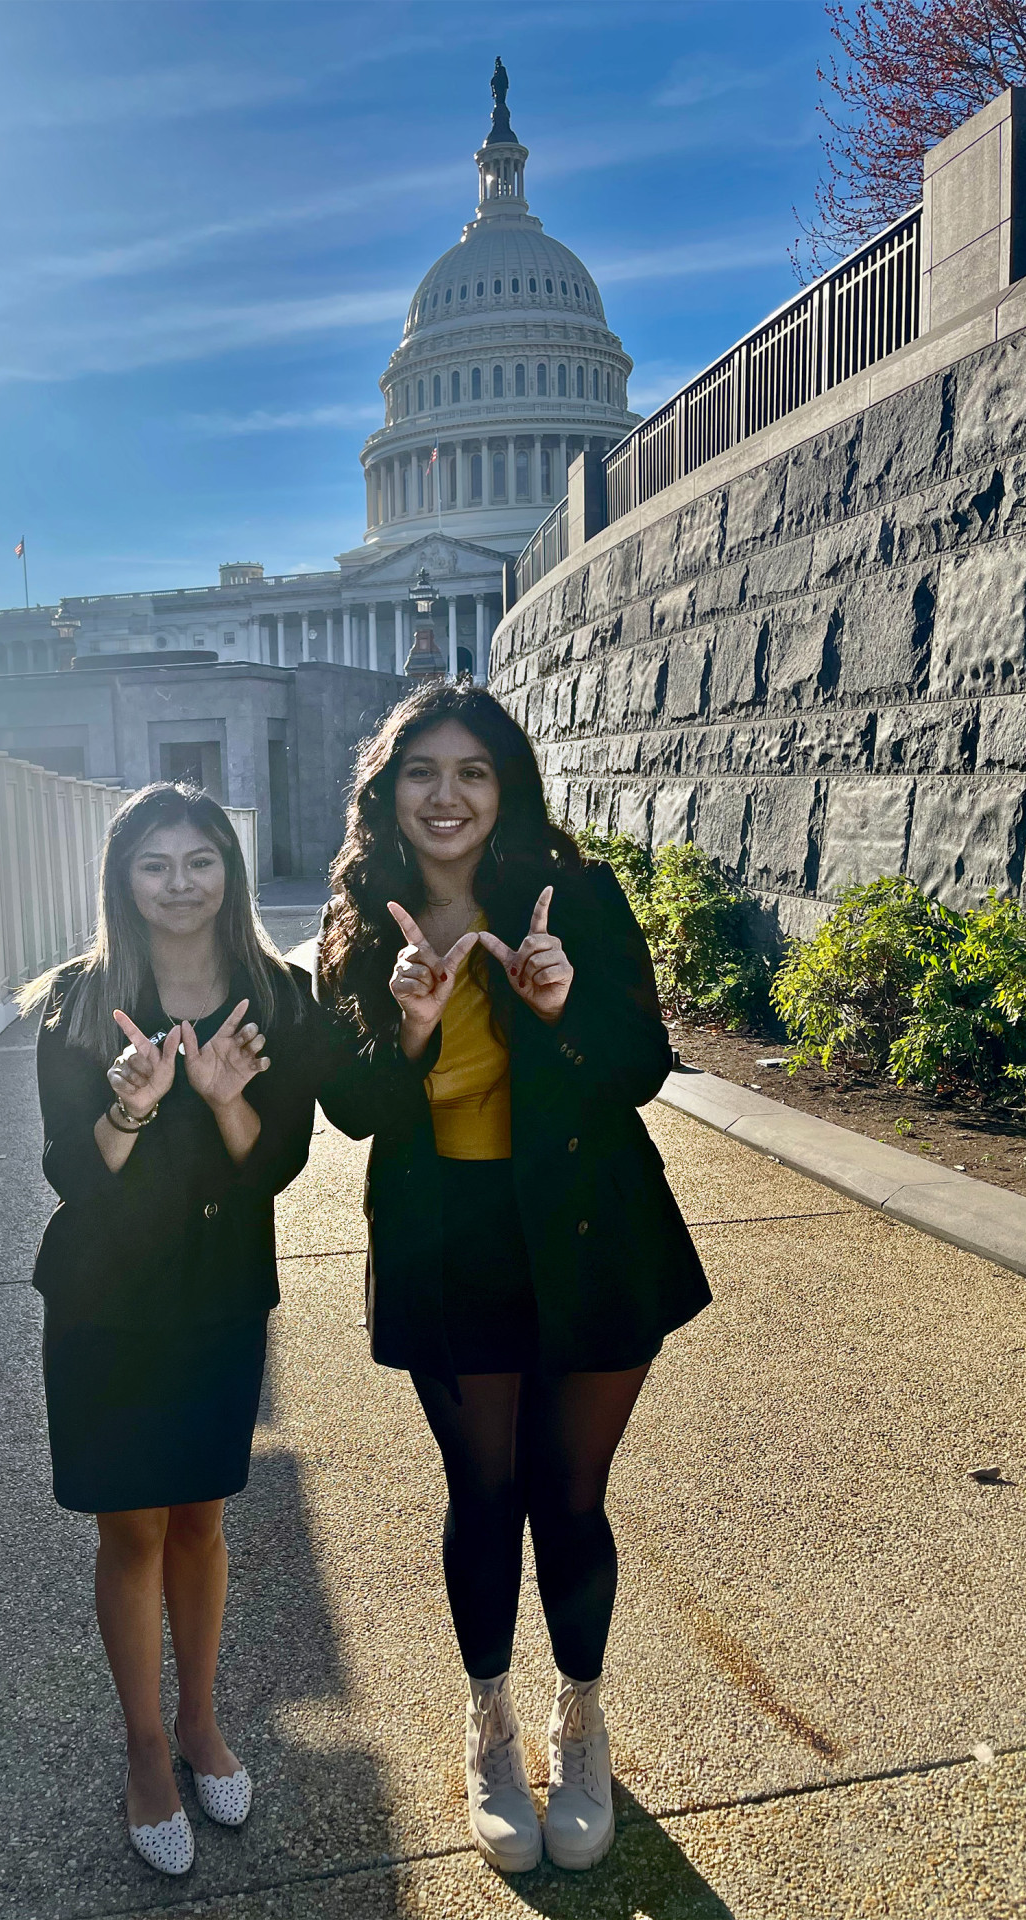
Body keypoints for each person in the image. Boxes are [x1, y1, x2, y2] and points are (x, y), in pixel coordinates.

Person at [316, 681, 710, 1876]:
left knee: (570, 1495)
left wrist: (562, 1006)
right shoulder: (358, 926)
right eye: (423, 772)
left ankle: (579, 1723)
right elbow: (349, 1107)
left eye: (473, 771)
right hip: (452, 1238)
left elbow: (642, 1064)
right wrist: (417, 1029)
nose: (448, 796)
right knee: (483, 1491)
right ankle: (490, 1724)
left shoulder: (576, 897)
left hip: (593, 1227)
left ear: (507, 786)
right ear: (389, 791)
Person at [20, 784, 317, 1878]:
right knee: (130, 1528)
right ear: (123, 878)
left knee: (199, 1516)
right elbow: (67, 1170)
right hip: (107, 1301)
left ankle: (200, 1720)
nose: (181, 882)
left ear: (230, 873)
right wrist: (134, 1106)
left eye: (201, 859)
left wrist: (226, 1096)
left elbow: (280, 1161)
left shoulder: (277, 996)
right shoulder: (78, 1000)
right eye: (157, 863)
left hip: (219, 1291)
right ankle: (146, 1747)